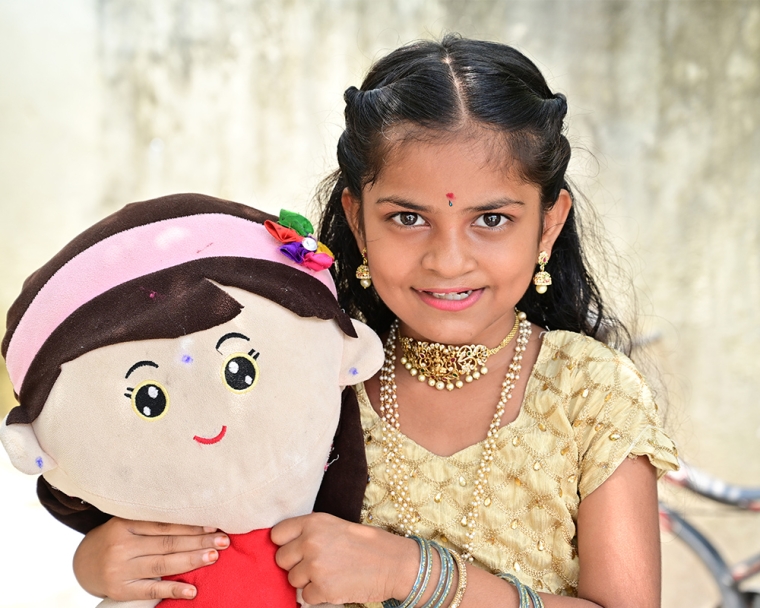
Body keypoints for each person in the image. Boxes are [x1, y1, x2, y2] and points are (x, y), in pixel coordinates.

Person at [69, 35, 678, 607]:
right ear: (358, 219)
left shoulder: (593, 395)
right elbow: (198, 504)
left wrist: (414, 574)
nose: (447, 260)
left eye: (491, 220)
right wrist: (99, 560)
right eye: (408, 219)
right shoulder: (309, 370)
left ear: (548, 222)